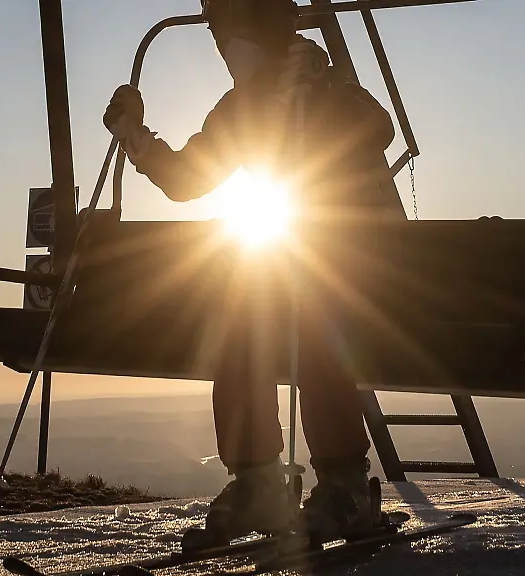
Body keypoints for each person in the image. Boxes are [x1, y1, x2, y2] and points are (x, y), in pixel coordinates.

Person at [101, 0, 398, 546]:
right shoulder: (246, 106)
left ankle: (343, 484)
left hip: (358, 276)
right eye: (218, 35)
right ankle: (259, 478)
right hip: (303, 270)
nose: (224, 48)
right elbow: (188, 178)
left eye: (231, 33)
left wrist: (317, 94)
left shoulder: (323, 86)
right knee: (238, 326)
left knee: (314, 322)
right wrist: (134, 136)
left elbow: (377, 128)